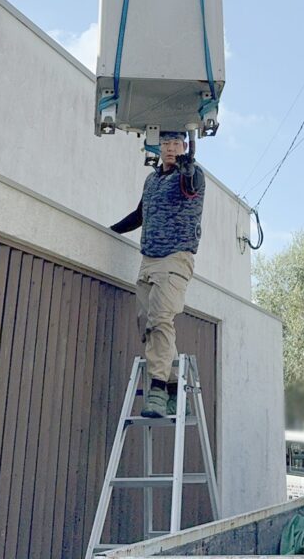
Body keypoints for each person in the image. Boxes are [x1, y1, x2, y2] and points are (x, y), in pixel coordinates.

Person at [110, 131, 205, 417]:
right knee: (148, 325)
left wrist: (188, 169)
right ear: (159, 147)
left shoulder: (191, 174)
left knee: (161, 319)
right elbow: (140, 215)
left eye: (177, 143)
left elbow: (190, 188)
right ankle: (176, 391)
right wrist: (109, 231)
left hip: (176, 256)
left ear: (185, 146)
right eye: (166, 143)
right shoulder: (151, 181)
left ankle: (158, 389)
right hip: (148, 259)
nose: (171, 148)